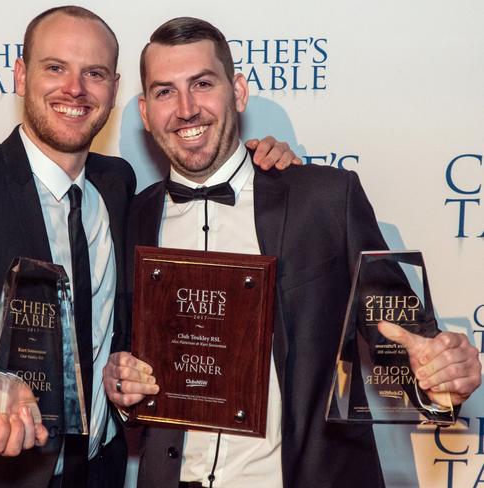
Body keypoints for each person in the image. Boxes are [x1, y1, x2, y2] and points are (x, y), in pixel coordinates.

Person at [0, 7, 298, 488]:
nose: (74, 89)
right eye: (55, 68)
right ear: (21, 75)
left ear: (113, 91)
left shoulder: (118, 188)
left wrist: (267, 168)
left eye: (93, 73)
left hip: (98, 472)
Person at [103, 17, 482, 488]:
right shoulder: (132, 218)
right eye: (165, 92)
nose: (186, 109)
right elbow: (126, 364)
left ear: (237, 92)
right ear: (145, 111)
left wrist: (440, 380)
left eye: (202, 84)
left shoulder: (325, 199)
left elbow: (404, 338)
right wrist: (122, 391)